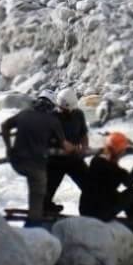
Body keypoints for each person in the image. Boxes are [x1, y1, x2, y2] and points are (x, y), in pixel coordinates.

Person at [1, 91, 69, 227]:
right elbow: (65, 146)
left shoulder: (24, 114)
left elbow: (4, 126)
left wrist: (8, 148)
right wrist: (77, 148)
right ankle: (33, 228)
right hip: (36, 166)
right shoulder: (53, 121)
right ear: (51, 107)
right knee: (37, 197)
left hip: (17, 162)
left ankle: (37, 217)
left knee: (34, 181)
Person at [79, 132, 133, 222]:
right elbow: (129, 183)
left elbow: (106, 153)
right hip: (102, 214)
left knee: (109, 192)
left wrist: (124, 141)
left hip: (85, 210)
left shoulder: (95, 161)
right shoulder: (118, 172)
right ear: (121, 153)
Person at [45, 88, 90, 216]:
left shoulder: (78, 114)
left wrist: (85, 147)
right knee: (46, 192)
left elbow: (83, 134)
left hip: (74, 159)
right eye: (60, 108)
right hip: (55, 161)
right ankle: (46, 209)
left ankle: (88, 210)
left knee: (90, 186)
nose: (61, 110)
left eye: (64, 109)